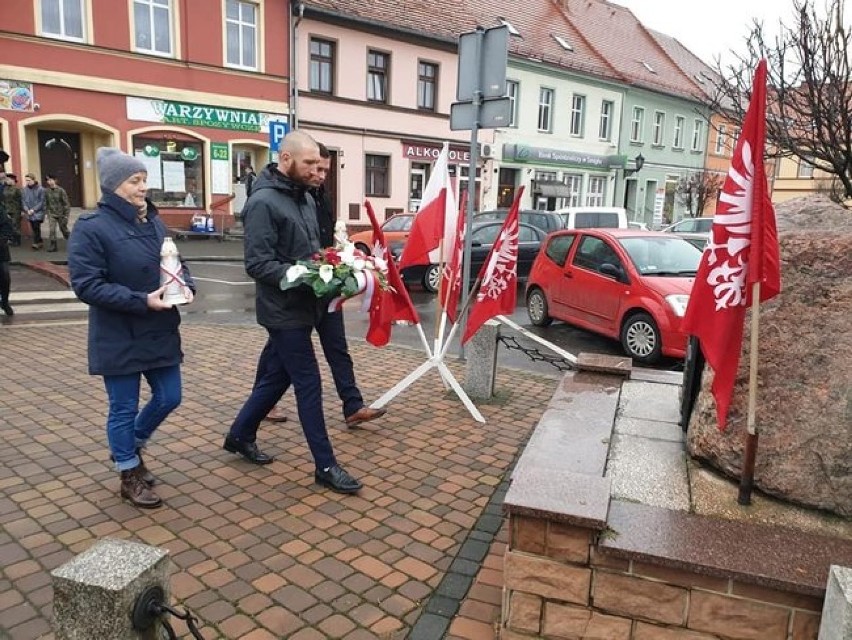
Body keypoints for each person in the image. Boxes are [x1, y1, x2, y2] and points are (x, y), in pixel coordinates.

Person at [223, 132, 370, 494]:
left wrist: (334, 268)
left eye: (317, 164)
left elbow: (310, 248)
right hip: (283, 310)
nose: (315, 170)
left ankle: (239, 434)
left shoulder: (304, 196)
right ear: (285, 159)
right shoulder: (263, 202)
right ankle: (325, 464)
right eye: (308, 163)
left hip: (312, 303)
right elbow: (257, 263)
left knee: (277, 378)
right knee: (308, 383)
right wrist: (298, 275)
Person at [68, 147, 195, 509]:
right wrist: (141, 300)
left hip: (159, 328)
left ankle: (132, 447)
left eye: (144, 180)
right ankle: (128, 472)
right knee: (122, 407)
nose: (143, 188)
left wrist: (185, 286)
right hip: (119, 331)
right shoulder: (91, 227)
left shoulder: (152, 221)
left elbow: (175, 262)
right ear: (113, 187)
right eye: (135, 181)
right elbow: (86, 285)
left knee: (170, 396)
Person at [265, 143, 386, 430]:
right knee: (276, 352)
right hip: (299, 290)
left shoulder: (317, 196)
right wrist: (307, 272)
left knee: (337, 346)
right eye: (316, 168)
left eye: (325, 170)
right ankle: (263, 402)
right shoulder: (287, 197)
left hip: (328, 283)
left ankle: (353, 405)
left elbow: (327, 236)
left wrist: (345, 258)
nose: (320, 175)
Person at [44, 173, 71, 252]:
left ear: (55, 180)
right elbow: (46, 202)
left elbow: (66, 204)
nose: (49, 182)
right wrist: (46, 212)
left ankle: (72, 242)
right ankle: (53, 245)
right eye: (48, 180)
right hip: (51, 213)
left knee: (64, 229)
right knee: (52, 229)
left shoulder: (61, 190)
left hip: (61, 213)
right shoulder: (47, 191)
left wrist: (66, 215)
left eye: (51, 180)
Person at [0, 170, 14, 316]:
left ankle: (4, 301)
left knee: (4, 276)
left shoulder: (1, 211)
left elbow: (7, 227)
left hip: (1, 249)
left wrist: (3, 239)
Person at [22, 173, 46, 250]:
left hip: (38, 212)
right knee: (33, 227)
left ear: (33, 180)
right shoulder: (25, 190)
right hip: (29, 212)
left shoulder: (40, 189)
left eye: (29, 180)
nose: (27, 182)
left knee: (36, 226)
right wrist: (26, 209)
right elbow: (23, 200)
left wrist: (33, 210)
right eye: (26, 180)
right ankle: (40, 241)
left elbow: (41, 201)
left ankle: (36, 243)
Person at [3, 173, 24, 246]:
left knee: (15, 225)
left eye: (8, 179)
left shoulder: (17, 189)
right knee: (9, 225)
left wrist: (22, 210)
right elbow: (4, 199)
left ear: (13, 180)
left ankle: (17, 241)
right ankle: (12, 239)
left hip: (16, 210)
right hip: (7, 210)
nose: (6, 181)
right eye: (6, 179)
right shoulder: (5, 188)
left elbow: (21, 200)